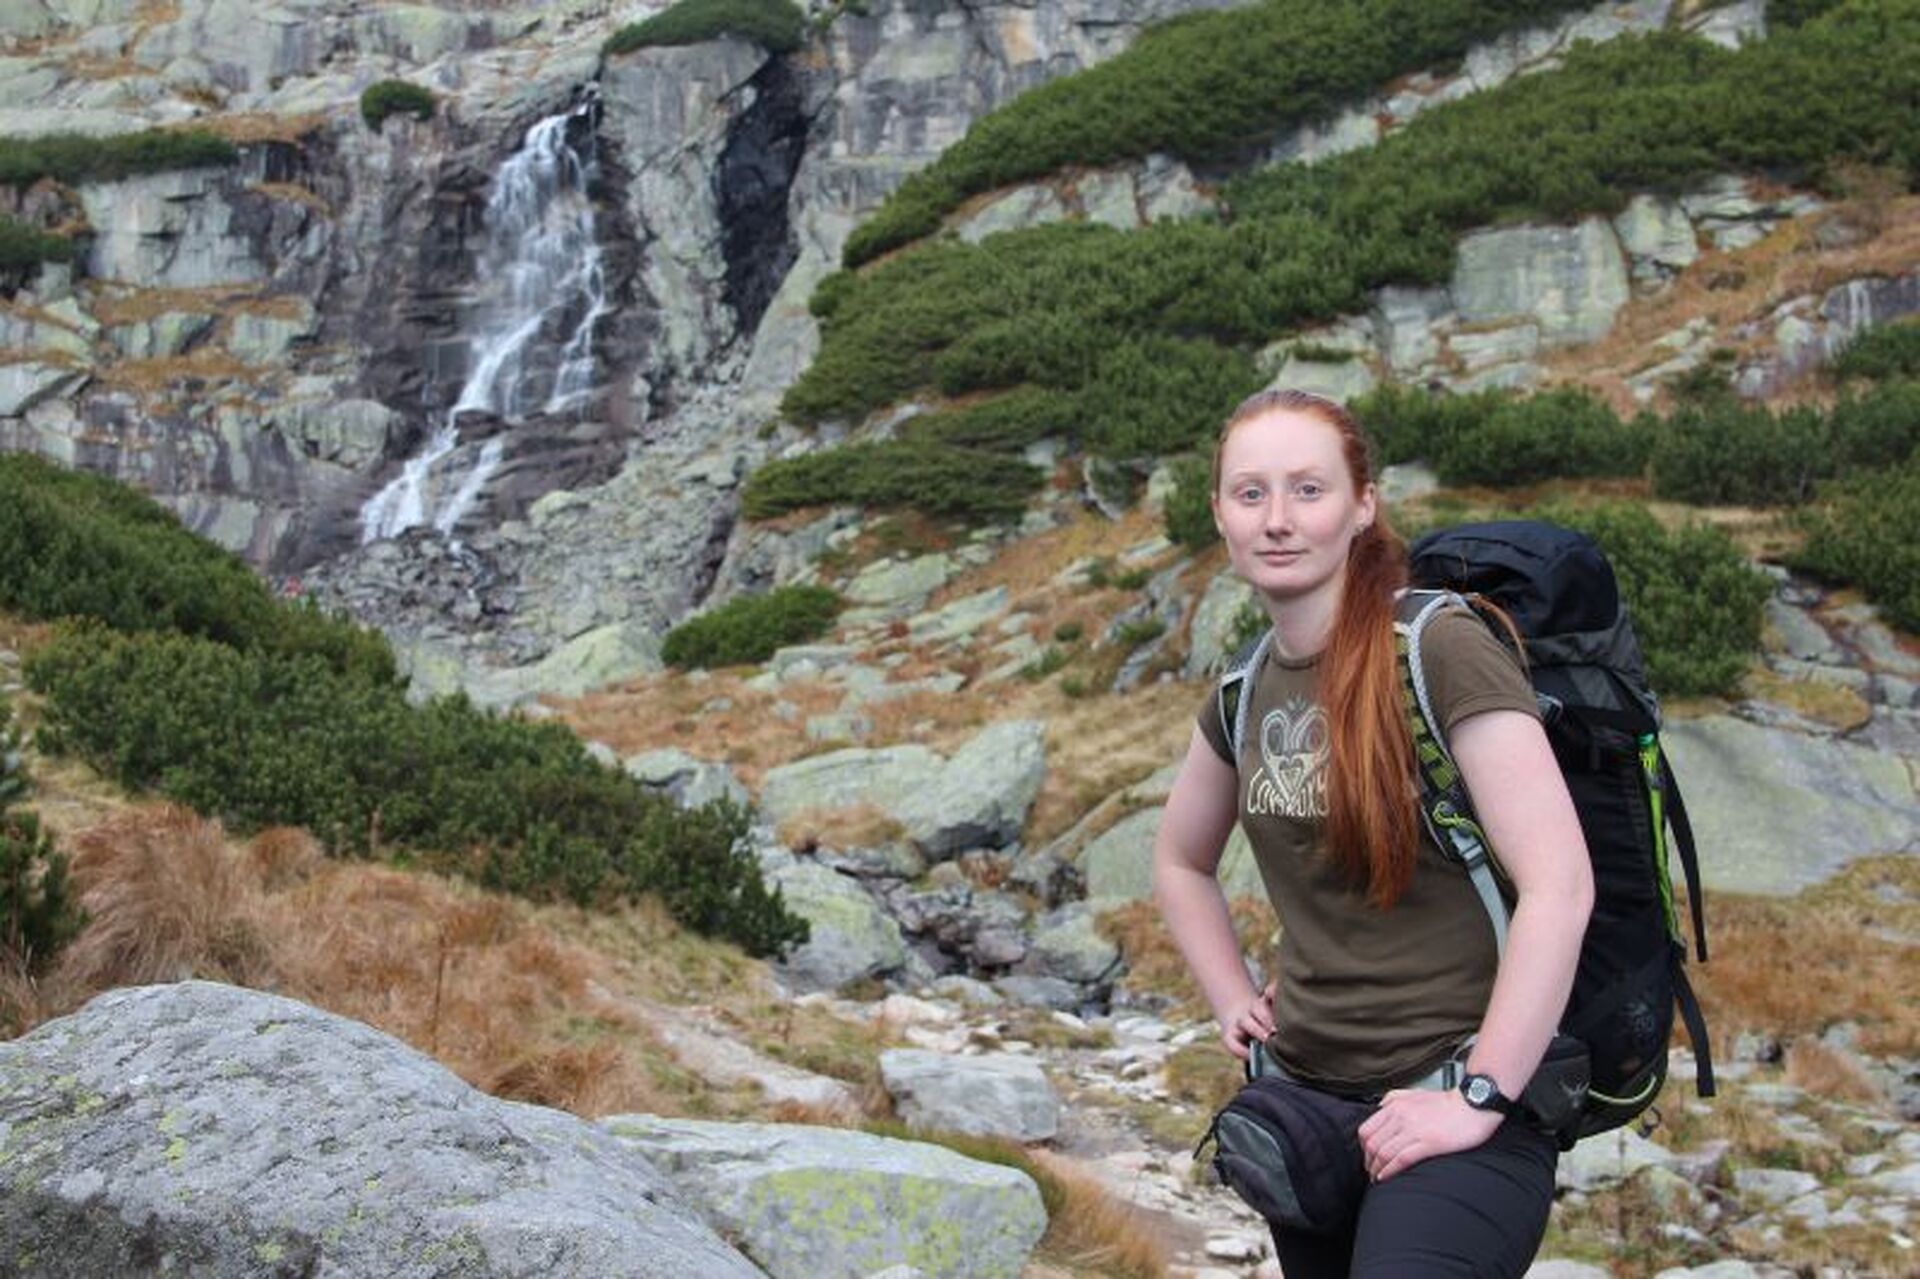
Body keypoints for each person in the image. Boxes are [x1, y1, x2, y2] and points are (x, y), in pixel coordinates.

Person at [1153, 388, 1595, 1277]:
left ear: (1363, 505)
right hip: (1306, 1107)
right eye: (1250, 493)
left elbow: (1561, 884)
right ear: (1220, 515)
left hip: (1458, 1099)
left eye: (1308, 489)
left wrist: (1480, 1095)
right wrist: (1232, 998)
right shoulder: (1245, 688)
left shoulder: (1439, 649)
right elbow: (1178, 859)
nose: (1278, 519)